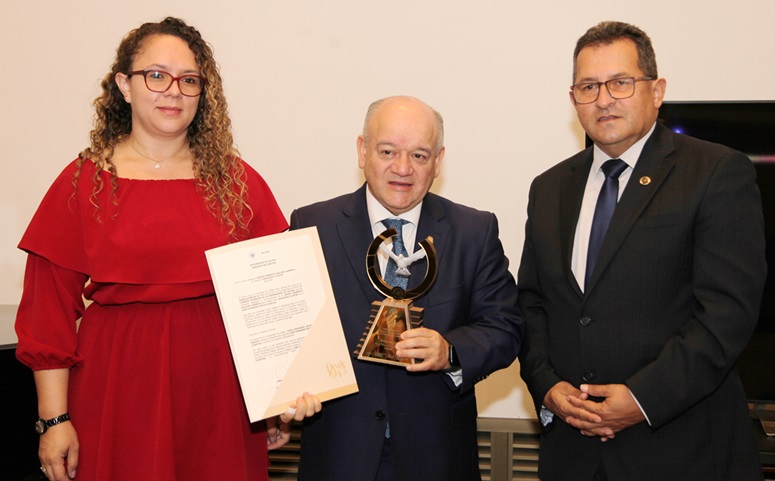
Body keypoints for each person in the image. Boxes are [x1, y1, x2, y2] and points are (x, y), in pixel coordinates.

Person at [15, 17, 320, 481]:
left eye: (189, 80)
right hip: (116, 386)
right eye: (156, 75)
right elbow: (47, 315)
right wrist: (53, 420)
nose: (173, 91)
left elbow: (275, 302)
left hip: (220, 393)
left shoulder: (238, 183)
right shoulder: (83, 183)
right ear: (124, 85)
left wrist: (278, 397)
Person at [517, 20, 767, 481]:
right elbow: (532, 305)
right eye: (588, 86)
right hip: (573, 455)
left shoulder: (715, 172)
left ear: (657, 90)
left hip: (682, 451)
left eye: (620, 82)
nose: (604, 99)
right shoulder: (548, 188)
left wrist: (642, 398)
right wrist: (547, 385)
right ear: (573, 99)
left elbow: (727, 314)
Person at [290, 95, 523, 481]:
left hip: (437, 456)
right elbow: (287, 331)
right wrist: (283, 394)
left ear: (438, 161)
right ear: (362, 151)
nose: (402, 168)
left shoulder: (474, 231)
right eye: (387, 151)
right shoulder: (312, 224)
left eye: (419, 155)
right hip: (339, 453)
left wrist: (450, 351)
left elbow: (506, 328)